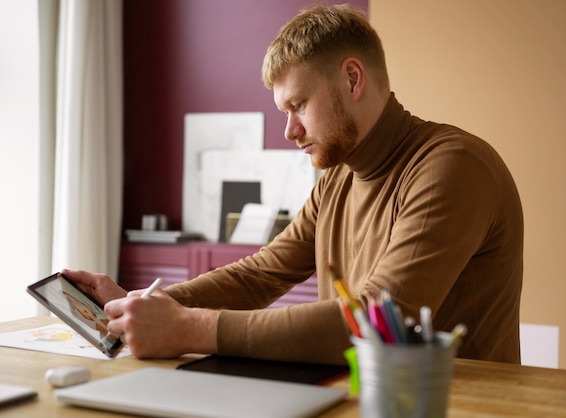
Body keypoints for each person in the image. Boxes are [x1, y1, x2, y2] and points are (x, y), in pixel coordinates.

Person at [64, 4, 523, 365]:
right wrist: (141, 303)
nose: (289, 131)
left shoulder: (452, 166)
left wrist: (188, 328)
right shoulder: (338, 177)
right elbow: (263, 272)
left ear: (352, 79)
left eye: (299, 105)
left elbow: (378, 320)